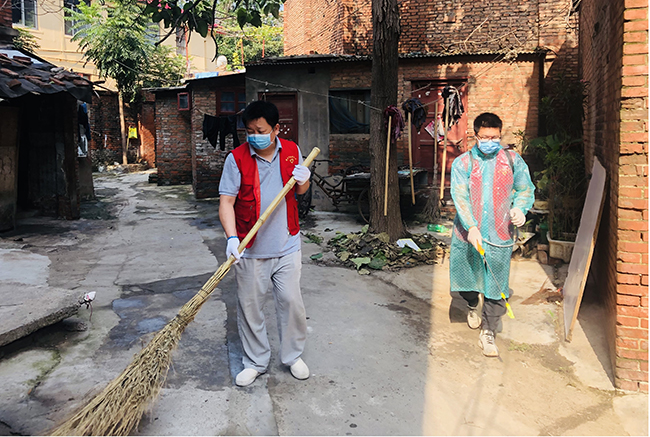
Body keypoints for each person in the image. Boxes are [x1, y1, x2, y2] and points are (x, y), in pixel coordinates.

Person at [218, 100, 311, 386]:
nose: (254, 136)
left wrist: (305, 179)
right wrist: (232, 238)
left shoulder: (292, 151)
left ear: (276, 130)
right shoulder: (236, 158)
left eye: (260, 130)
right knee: (250, 307)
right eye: (249, 130)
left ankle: (293, 356)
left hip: (287, 244)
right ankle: (255, 361)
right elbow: (226, 202)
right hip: (250, 248)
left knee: (291, 302)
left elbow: (301, 190)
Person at [449, 112, 535, 357]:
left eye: (494, 137)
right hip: (468, 233)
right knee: (467, 277)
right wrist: (471, 225)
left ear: (500, 134)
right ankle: (472, 304)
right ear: (475, 136)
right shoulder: (463, 163)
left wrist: (520, 208)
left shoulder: (512, 160)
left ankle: (488, 332)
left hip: (499, 233)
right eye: (485, 137)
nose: (490, 141)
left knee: (497, 284)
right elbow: (460, 195)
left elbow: (524, 188)